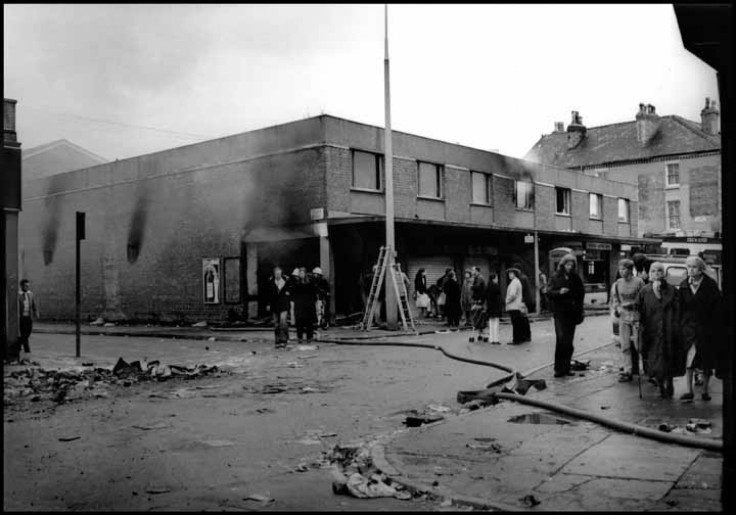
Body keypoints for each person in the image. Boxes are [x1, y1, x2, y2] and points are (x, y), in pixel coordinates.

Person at [635, 262, 683, 399]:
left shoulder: (673, 290)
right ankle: (661, 384)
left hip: (669, 330)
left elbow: (679, 309)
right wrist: (637, 322)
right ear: (650, 274)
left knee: (669, 357)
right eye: (654, 271)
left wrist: (677, 325)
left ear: (664, 274)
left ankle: (670, 382)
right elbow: (638, 308)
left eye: (660, 271)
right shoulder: (644, 291)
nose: (657, 273)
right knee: (655, 358)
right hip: (652, 330)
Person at [678, 255, 723, 402]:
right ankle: (689, 391)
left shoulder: (710, 285)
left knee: (706, 361)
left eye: (694, 267)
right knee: (689, 360)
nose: (691, 270)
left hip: (706, 329)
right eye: (689, 267)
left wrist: (715, 328)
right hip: (689, 329)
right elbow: (680, 308)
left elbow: (717, 308)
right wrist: (682, 325)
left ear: (701, 269)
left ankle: (704, 390)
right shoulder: (684, 285)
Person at [546, 254, 585, 377]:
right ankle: (558, 369)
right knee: (561, 339)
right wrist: (559, 292)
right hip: (560, 312)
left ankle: (566, 368)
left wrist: (580, 310)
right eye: (567, 264)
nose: (569, 267)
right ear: (563, 265)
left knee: (568, 341)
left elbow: (581, 294)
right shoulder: (555, 277)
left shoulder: (575, 278)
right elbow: (549, 292)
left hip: (572, 313)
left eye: (572, 265)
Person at [611, 259, 646, 382]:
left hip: (636, 316)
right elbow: (615, 299)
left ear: (630, 269)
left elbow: (644, 297)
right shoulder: (617, 284)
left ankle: (647, 368)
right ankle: (628, 370)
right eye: (620, 269)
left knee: (639, 345)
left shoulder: (639, 282)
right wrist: (617, 308)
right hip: (624, 317)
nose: (621, 271)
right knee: (625, 345)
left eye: (624, 269)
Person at [264, 266, 291, 348]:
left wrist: (288, 296)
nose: (277, 275)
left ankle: (284, 340)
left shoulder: (286, 281)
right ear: (274, 274)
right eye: (276, 274)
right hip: (274, 306)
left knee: (283, 322)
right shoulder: (271, 282)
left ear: (281, 274)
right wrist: (268, 304)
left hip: (284, 305)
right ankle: (277, 340)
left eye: (279, 274)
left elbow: (290, 291)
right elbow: (268, 294)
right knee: (276, 324)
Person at [291, 267, 318, 344]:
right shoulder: (296, 284)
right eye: (300, 273)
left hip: (308, 305)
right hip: (299, 305)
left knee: (309, 322)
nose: (301, 274)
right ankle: (300, 337)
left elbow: (314, 294)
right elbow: (293, 295)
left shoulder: (310, 283)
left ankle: (309, 337)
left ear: (305, 273)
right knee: (299, 322)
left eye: (303, 273)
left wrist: (314, 304)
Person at [504, 268, 527, 345]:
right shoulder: (517, 281)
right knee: (518, 323)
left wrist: (507, 300)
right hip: (517, 305)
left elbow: (513, 294)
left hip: (513, 306)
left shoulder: (514, 282)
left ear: (514, 274)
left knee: (515, 324)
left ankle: (516, 339)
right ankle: (520, 338)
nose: (509, 275)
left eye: (511, 273)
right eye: (509, 273)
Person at [18, 279, 40, 354]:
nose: (27, 287)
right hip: (21, 318)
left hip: (28, 317)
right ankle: (27, 350)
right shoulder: (18, 295)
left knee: (28, 333)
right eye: (25, 286)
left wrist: (36, 313)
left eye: (28, 286)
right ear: (21, 286)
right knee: (24, 334)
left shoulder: (30, 294)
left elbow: (34, 304)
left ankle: (17, 345)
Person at [485, 272, 503, 345]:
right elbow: (498, 298)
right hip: (496, 307)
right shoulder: (496, 287)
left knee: (491, 323)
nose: (497, 280)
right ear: (494, 279)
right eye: (496, 278)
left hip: (490, 307)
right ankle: (496, 339)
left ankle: (491, 339)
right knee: (496, 323)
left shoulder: (488, 286)